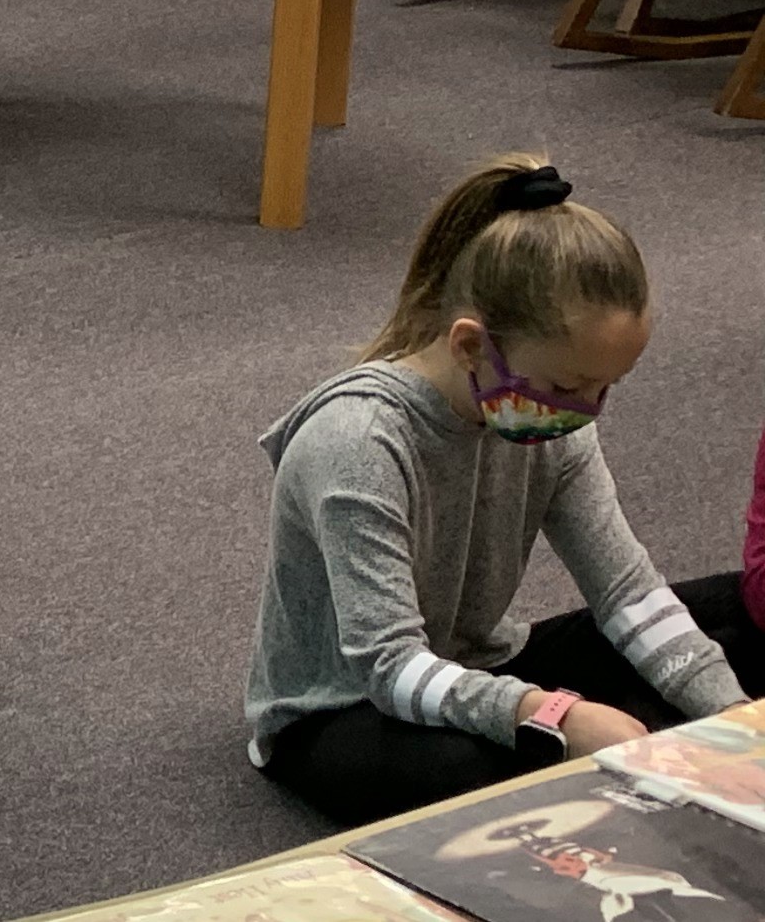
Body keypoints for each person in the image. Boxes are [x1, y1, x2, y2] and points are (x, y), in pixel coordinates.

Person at [251, 155, 765, 825]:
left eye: (605, 387)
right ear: (471, 346)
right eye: (567, 388)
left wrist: (732, 719)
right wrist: (553, 714)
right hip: (341, 705)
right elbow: (389, 666)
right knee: (469, 773)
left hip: (478, 659)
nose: (587, 409)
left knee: (736, 614)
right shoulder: (358, 443)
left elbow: (627, 591)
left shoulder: (553, 417)